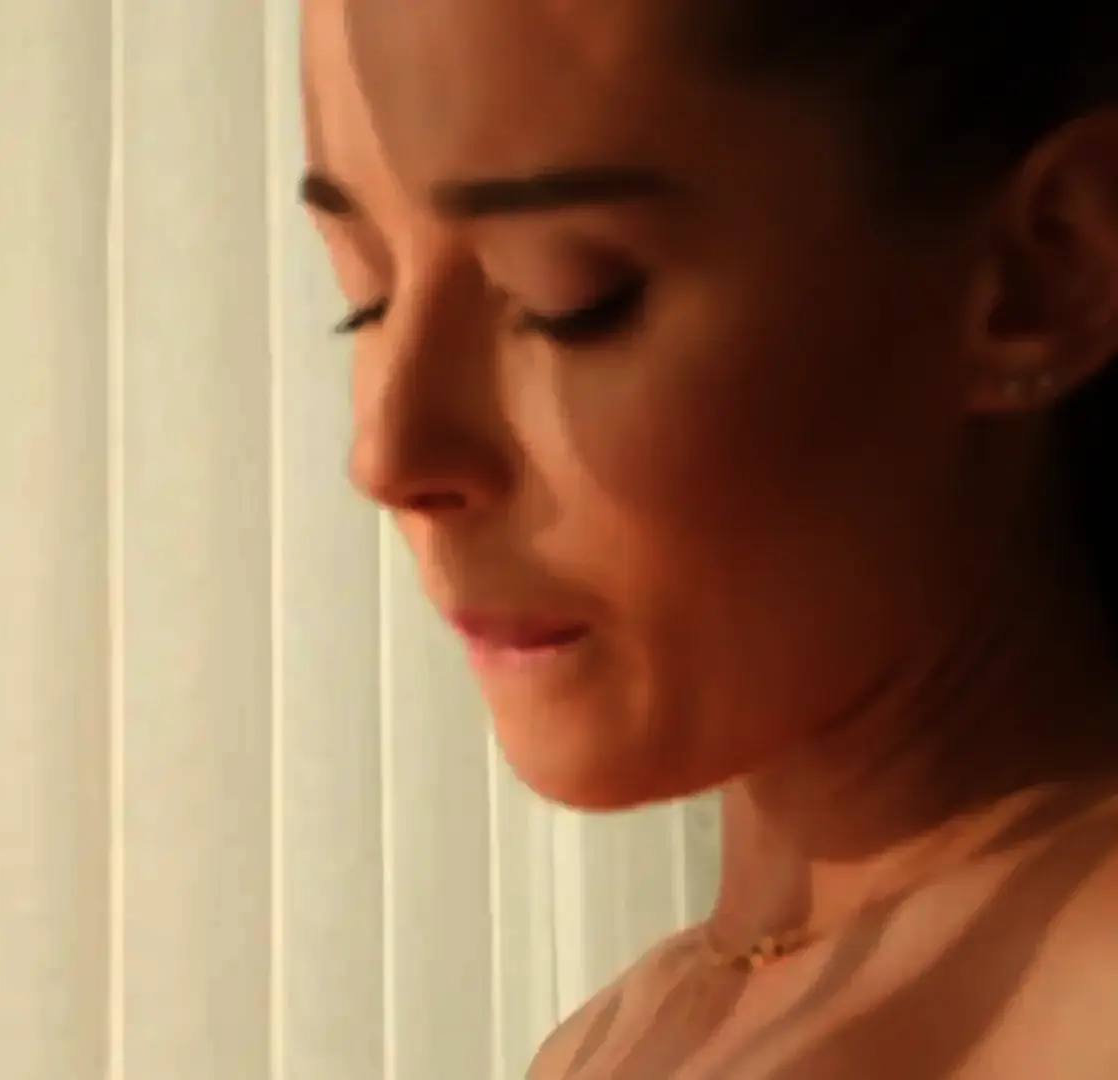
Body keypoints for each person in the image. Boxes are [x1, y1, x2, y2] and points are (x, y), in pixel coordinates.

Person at [299, 0, 1118, 1075]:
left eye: (569, 299)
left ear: (1043, 269)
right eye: (365, 298)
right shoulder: (607, 1044)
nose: (389, 454)